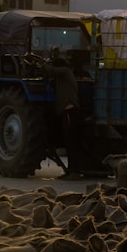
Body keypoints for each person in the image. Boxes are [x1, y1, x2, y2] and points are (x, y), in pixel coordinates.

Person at [42, 47, 83, 180]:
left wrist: (44, 64)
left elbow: (51, 70)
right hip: (68, 112)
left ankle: (74, 171)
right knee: (69, 142)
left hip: (69, 111)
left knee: (71, 143)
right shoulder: (65, 76)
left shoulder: (65, 72)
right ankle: (71, 170)